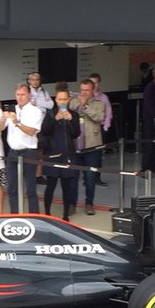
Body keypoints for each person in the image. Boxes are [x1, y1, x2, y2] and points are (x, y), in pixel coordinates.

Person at [39, 89, 81, 220]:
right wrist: (55, 119)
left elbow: (76, 134)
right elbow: (45, 131)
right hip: (53, 154)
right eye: (60, 99)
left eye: (64, 99)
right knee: (50, 185)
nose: (62, 102)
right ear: (56, 100)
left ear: (68, 100)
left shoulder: (73, 114)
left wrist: (70, 120)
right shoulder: (50, 114)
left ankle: (65, 214)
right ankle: (47, 213)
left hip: (67, 154)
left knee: (66, 186)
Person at [4, 83, 45, 213]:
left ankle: (34, 217)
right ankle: (14, 216)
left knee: (31, 188)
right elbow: (0, 126)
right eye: (18, 94)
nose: (20, 97)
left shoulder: (35, 111)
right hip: (12, 152)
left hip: (28, 152)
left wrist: (16, 123)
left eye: (23, 94)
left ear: (29, 95)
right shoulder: (12, 110)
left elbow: (32, 131)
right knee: (11, 188)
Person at [76, 80, 107, 217]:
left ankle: (89, 204)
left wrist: (86, 106)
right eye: (82, 90)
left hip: (92, 146)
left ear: (93, 90)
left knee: (90, 177)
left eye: (87, 90)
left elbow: (99, 118)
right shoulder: (73, 102)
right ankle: (71, 204)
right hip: (76, 145)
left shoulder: (100, 104)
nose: (83, 93)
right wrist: (79, 104)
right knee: (73, 177)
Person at [88, 74, 114, 187]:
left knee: (98, 156)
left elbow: (109, 113)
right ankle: (87, 179)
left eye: (96, 82)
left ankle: (96, 178)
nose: (94, 85)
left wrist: (106, 127)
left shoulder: (104, 98)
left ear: (99, 83)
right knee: (87, 155)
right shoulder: (86, 96)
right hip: (88, 129)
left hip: (100, 129)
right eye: (91, 83)